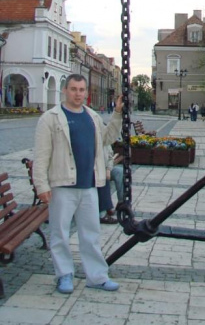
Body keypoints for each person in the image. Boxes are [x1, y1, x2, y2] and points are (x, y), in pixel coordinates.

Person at [33, 73, 123, 295]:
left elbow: (106, 138)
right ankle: (64, 274)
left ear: (86, 93)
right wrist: (41, 185)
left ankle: (97, 276)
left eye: (81, 90)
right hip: (63, 185)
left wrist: (118, 113)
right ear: (65, 91)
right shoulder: (51, 118)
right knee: (60, 233)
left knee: (91, 233)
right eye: (73, 89)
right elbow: (42, 155)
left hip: (89, 184)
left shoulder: (91, 116)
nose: (78, 94)